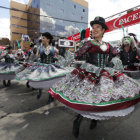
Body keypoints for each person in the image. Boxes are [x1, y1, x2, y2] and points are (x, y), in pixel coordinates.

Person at [48, 17, 140, 138]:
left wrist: (113, 62)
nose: (95, 29)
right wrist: (64, 54)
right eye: (93, 27)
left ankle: (94, 119)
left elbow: (116, 55)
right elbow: (77, 54)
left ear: (103, 30)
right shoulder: (89, 43)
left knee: (102, 98)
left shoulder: (108, 45)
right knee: (86, 99)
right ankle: (78, 120)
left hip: (105, 73)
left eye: (98, 27)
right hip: (89, 74)